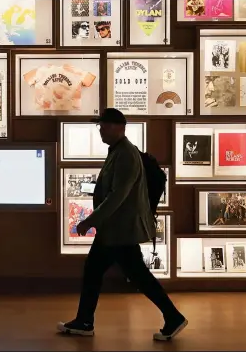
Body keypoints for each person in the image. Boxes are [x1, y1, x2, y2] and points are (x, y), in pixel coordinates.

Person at [57, 108, 187, 341]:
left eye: (104, 126)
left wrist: (90, 220)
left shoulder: (126, 154)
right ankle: (85, 320)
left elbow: (118, 195)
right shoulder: (118, 151)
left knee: (131, 275)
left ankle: (172, 316)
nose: (101, 130)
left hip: (120, 230)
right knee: (103, 271)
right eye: (100, 126)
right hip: (115, 229)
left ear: (119, 127)